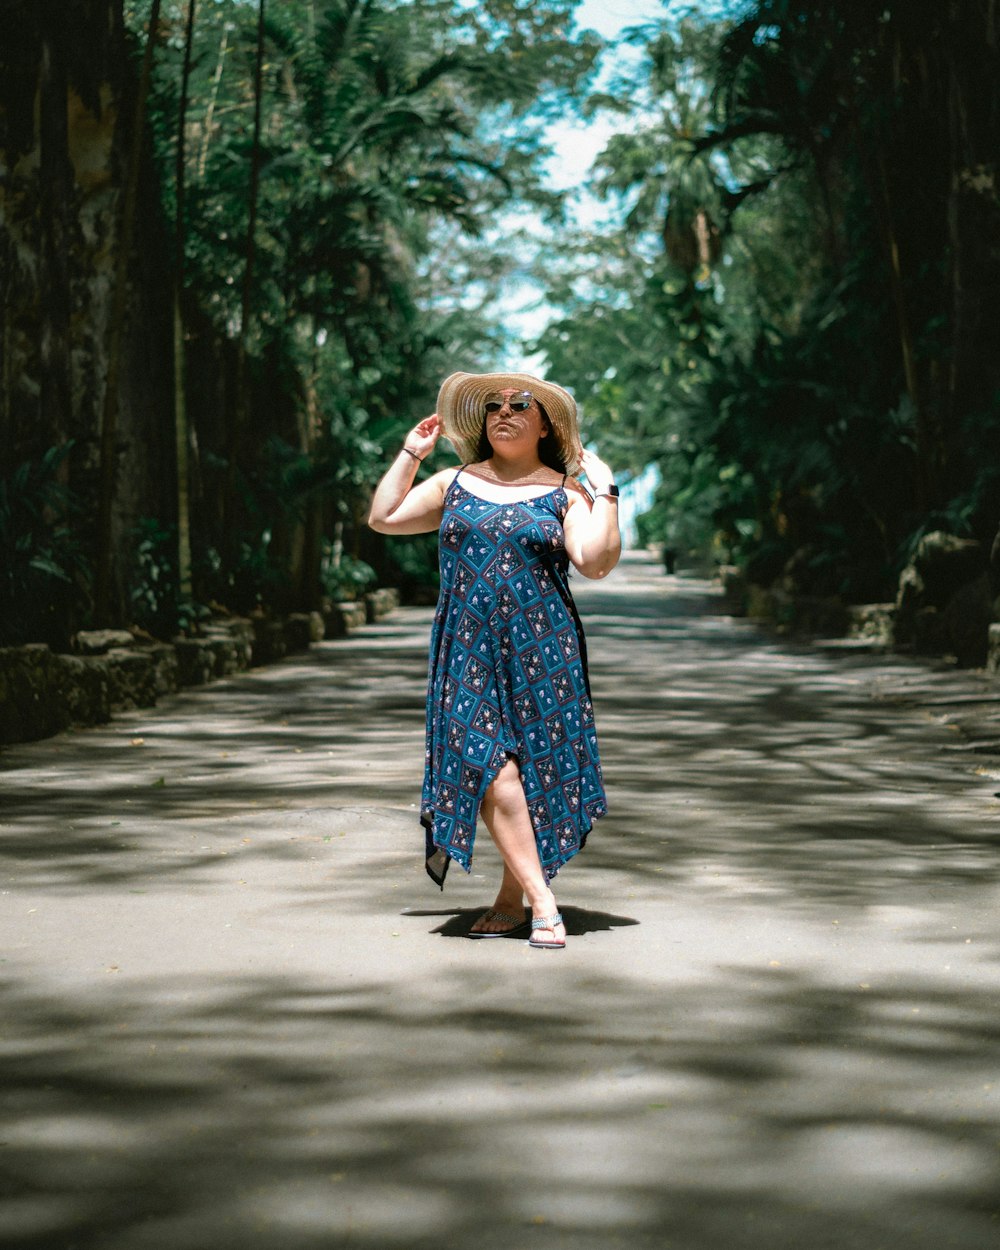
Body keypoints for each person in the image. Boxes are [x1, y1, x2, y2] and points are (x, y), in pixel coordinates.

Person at [368, 371, 621, 949]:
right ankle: (544, 902)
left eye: (519, 404)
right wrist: (412, 454)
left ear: (544, 424)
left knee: (531, 769)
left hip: (543, 649)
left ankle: (511, 899)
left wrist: (605, 491)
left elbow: (596, 560)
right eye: (493, 405)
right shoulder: (454, 483)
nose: (503, 412)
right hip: (466, 647)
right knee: (488, 765)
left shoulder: (565, 491)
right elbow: (384, 518)